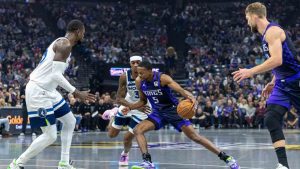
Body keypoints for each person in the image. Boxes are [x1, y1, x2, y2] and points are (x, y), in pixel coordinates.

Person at [8, 19, 95, 169]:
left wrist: (72, 93)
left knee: (70, 121)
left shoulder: (64, 45)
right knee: (50, 135)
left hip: (49, 91)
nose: (84, 36)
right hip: (38, 91)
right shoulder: (64, 44)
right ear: (78, 31)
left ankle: (64, 162)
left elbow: (56, 74)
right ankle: (17, 164)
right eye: (84, 33)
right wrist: (76, 92)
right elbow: (55, 75)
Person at [122, 61, 239, 169]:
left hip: (174, 111)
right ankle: (147, 162)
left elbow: (182, 91)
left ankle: (227, 158)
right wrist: (130, 107)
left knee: (195, 137)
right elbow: (142, 101)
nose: (139, 75)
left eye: (142, 73)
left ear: (150, 70)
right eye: (138, 73)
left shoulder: (162, 78)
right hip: (158, 113)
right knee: (138, 130)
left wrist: (192, 98)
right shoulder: (139, 81)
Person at [232, 2, 300, 169]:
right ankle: (283, 165)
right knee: (271, 118)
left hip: (296, 80)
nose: (247, 22)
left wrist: (251, 71)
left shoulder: (273, 31)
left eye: (247, 18)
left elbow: (277, 59)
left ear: (255, 16)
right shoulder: (265, 36)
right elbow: (279, 64)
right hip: (282, 83)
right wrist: (272, 81)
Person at [102, 56, 150, 166]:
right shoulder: (124, 77)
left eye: (138, 62)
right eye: (133, 63)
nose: (136, 65)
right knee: (111, 135)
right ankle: (112, 115)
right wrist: (133, 106)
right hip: (128, 105)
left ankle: (125, 154)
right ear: (130, 64)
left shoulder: (147, 77)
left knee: (127, 138)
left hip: (142, 109)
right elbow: (118, 98)